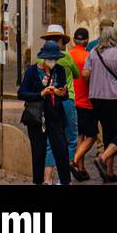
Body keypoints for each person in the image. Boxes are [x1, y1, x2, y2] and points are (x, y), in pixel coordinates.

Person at [82, 24, 117, 183]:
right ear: (116, 38)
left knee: (108, 132)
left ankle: (109, 171)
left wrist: (97, 77)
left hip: (97, 97)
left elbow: (85, 74)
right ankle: (103, 158)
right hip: (116, 98)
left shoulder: (93, 52)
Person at [18, 40, 72, 186]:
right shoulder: (32, 71)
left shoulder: (59, 70)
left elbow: (64, 94)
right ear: (44, 58)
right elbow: (21, 93)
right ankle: (38, 181)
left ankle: (65, 181)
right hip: (38, 118)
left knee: (61, 150)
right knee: (39, 152)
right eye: (50, 59)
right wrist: (41, 93)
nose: (53, 61)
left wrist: (61, 93)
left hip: (56, 116)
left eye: (55, 59)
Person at [39, 25, 80, 183]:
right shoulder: (66, 57)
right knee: (70, 138)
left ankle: (47, 179)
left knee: (50, 140)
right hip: (67, 100)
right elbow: (76, 74)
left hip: (49, 101)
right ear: (62, 41)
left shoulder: (40, 58)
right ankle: (64, 178)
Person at [69, 27, 95, 181]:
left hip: (71, 100)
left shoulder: (67, 55)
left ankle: (81, 168)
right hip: (86, 101)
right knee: (91, 136)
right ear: (86, 40)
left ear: (73, 39)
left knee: (79, 135)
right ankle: (75, 160)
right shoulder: (88, 56)